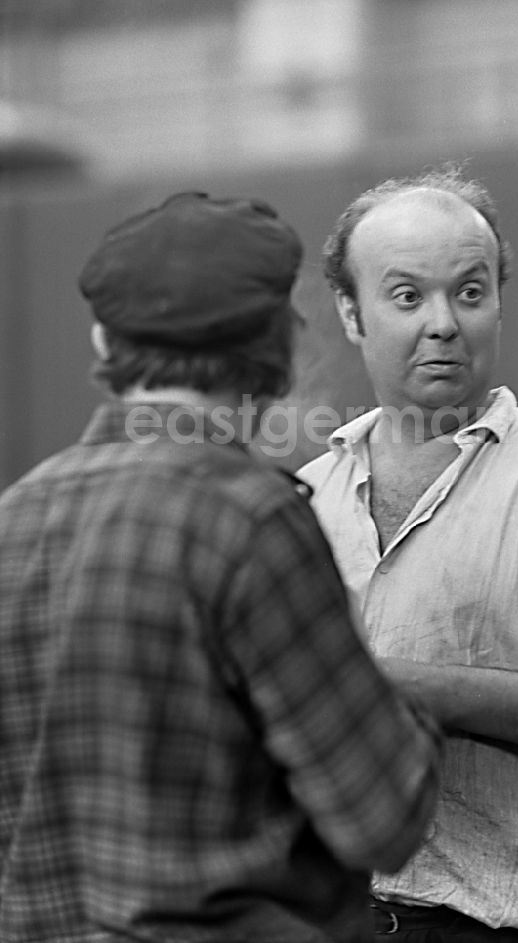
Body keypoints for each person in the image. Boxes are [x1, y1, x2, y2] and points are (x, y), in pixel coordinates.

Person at [0, 191, 441, 943]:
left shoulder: (14, 517)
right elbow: (382, 819)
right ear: (279, 341)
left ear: (105, 344)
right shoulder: (250, 517)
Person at [298, 166, 518, 940]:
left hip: (516, 924)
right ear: (350, 312)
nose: (444, 323)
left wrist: (419, 689)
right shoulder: (305, 502)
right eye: (406, 296)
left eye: (470, 291)